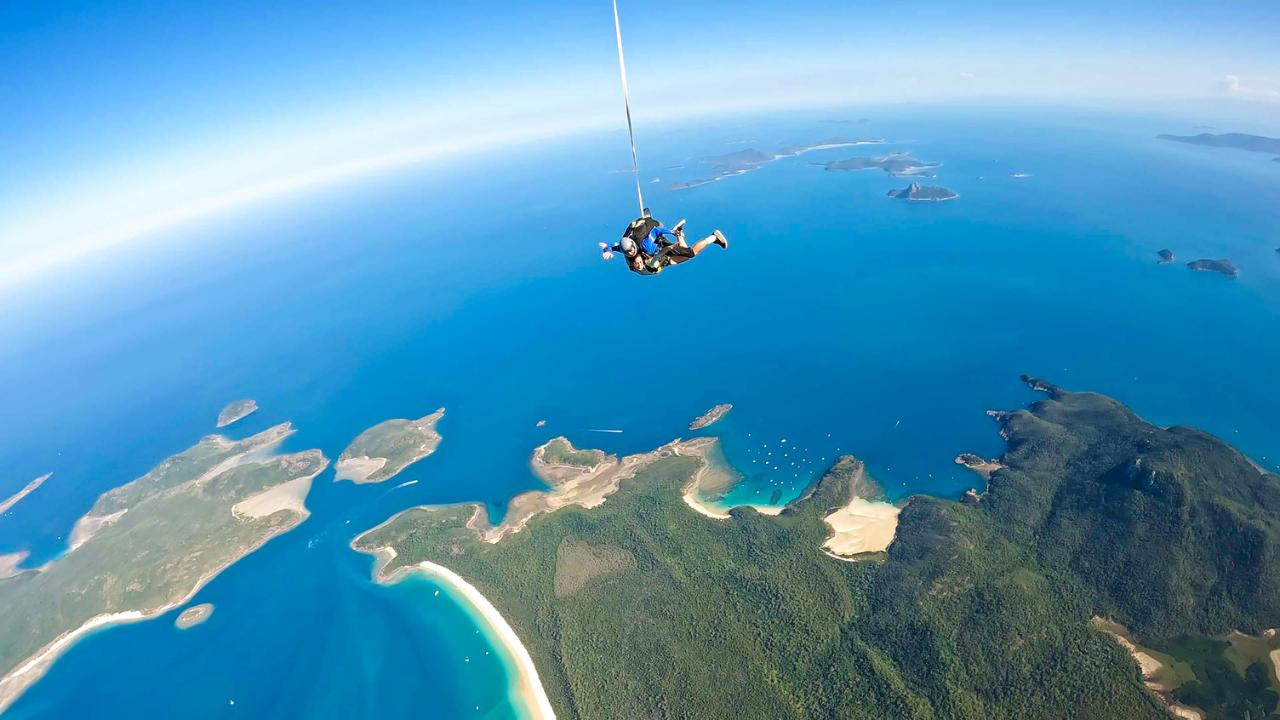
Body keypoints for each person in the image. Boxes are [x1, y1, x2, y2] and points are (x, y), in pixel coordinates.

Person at [599, 209, 727, 275]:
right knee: (687, 255)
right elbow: (614, 246)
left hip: (661, 249)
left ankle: (714, 237)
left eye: (631, 250)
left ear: (633, 245)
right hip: (663, 257)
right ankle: (679, 232)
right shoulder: (627, 250)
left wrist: (671, 233)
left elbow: (656, 231)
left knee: (691, 252)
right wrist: (607, 250)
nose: (631, 253)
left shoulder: (645, 246)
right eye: (629, 253)